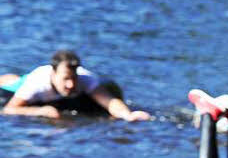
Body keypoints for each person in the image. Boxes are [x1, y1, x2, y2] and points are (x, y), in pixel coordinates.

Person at [1, 49, 151, 121]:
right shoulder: (37, 83)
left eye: (73, 78)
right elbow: (9, 109)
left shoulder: (85, 78)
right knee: (12, 82)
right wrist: (41, 111)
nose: (70, 84)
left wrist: (128, 115)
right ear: (53, 74)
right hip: (23, 83)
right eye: (65, 79)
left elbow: (109, 101)